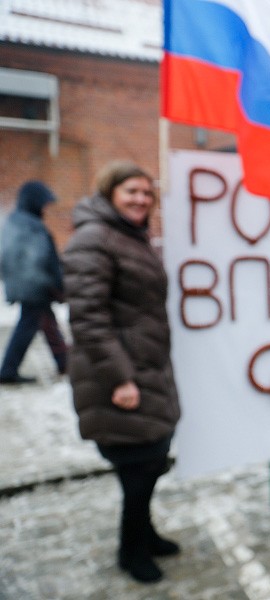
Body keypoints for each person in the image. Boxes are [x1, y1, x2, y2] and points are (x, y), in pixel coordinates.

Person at [62, 161, 181, 584]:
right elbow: (88, 319)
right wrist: (121, 379)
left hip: (146, 368)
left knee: (148, 464)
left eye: (147, 193)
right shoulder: (94, 240)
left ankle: (145, 535)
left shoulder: (131, 238)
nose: (141, 199)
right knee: (136, 470)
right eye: (132, 191)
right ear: (109, 192)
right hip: (121, 377)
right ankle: (131, 552)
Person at [0, 181, 68, 384]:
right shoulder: (31, 225)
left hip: (29, 286)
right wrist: (58, 285)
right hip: (35, 287)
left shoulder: (16, 222)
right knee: (30, 325)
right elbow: (45, 259)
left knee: (46, 323)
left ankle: (64, 362)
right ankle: (7, 371)